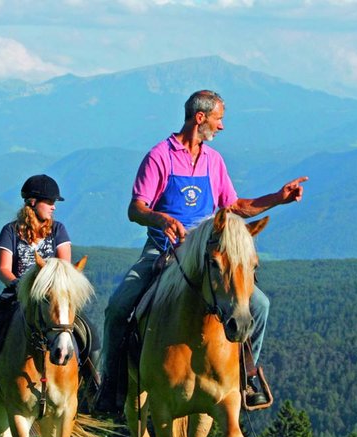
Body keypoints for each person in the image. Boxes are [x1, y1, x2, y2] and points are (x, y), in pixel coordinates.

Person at [95, 90, 307, 411]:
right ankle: (111, 385)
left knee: (259, 305)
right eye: (218, 119)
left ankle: (245, 376)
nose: (221, 127)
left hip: (207, 253)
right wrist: (160, 217)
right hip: (164, 250)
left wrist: (277, 198)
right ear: (200, 118)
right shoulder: (159, 156)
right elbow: (135, 209)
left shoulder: (213, 160)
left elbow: (234, 206)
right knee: (117, 308)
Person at [0, 174, 100, 417]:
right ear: (32, 202)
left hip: (52, 297)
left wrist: (51, 288)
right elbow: (3, 269)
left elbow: (64, 266)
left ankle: (95, 386)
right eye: (49, 201)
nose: (54, 206)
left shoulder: (58, 230)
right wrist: (20, 286)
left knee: (89, 332)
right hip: (17, 294)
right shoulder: (10, 231)